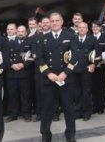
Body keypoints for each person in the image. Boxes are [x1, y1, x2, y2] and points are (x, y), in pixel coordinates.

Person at [35, 12, 78, 142]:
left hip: (66, 78)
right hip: (49, 79)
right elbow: (39, 59)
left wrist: (65, 73)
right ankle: (45, 134)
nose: (54, 23)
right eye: (52, 21)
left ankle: (70, 134)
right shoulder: (43, 38)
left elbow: (75, 57)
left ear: (62, 22)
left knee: (68, 108)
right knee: (47, 109)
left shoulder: (71, 36)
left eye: (56, 20)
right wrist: (49, 73)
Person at [5, 25, 34, 122]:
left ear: (26, 33)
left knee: (26, 95)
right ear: (16, 32)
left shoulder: (30, 42)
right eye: (19, 31)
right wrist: (12, 65)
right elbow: (5, 57)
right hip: (12, 73)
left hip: (25, 73)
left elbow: (33, 56)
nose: (20, 33)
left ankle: (26, 113)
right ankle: (13, 114)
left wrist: (23, 65)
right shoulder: (9, 43)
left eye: (22, 31)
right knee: (12, 95)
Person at [73, 21, 95, 121]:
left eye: (84, 28)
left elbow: (97, 53)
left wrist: (94, 64)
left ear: (87, 29)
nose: (81, 29)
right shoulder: (73, 39)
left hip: (86, 69)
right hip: (75, 69)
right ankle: (78, 111)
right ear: (77, 29)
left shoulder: (92, 39)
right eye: (80, 27)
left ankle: (87, 112)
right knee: (76, 92)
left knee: (86, 92)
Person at [90, 21, 105, 114]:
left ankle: (101, 105)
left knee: (101, 86)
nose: (94, 28)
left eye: (96, 26)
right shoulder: (89, 37)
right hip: (92, 65)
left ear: (100, 27)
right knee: (93, 86)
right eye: (93, 26)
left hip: (102, 66)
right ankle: (94, 105)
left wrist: (104, 59)